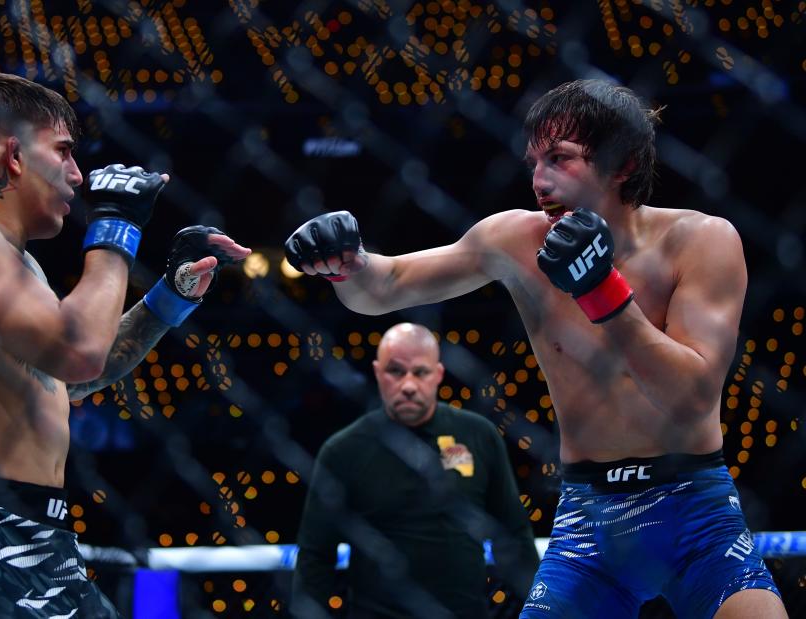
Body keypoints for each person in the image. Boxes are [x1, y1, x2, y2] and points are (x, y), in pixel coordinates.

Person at [285, 79, 786, 619]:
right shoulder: (515, 242)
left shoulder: (701, 241)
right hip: (588, 518)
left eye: (560, 159)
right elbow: (386, 286)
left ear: (621, 164)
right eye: (533, 163)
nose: (540, 182)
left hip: (695, 508)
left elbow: (690, 395)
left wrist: (603, 294)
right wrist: (348, 262)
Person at [0, 72, 250, 617]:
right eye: (63, 152)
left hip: (29, 531)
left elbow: (74, 377)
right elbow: (76, 350)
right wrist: (115, 227)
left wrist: (168, 298)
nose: (79, 176)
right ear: (13, 155)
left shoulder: (15, 264)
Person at [292, 323, 540, 619]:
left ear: (438, 374)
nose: (408, 385)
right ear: (377, 372)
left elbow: (513, 534)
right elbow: (315, 555)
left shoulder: (477, 435)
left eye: (420, 372)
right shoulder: (344, 450)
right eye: (396, 371)